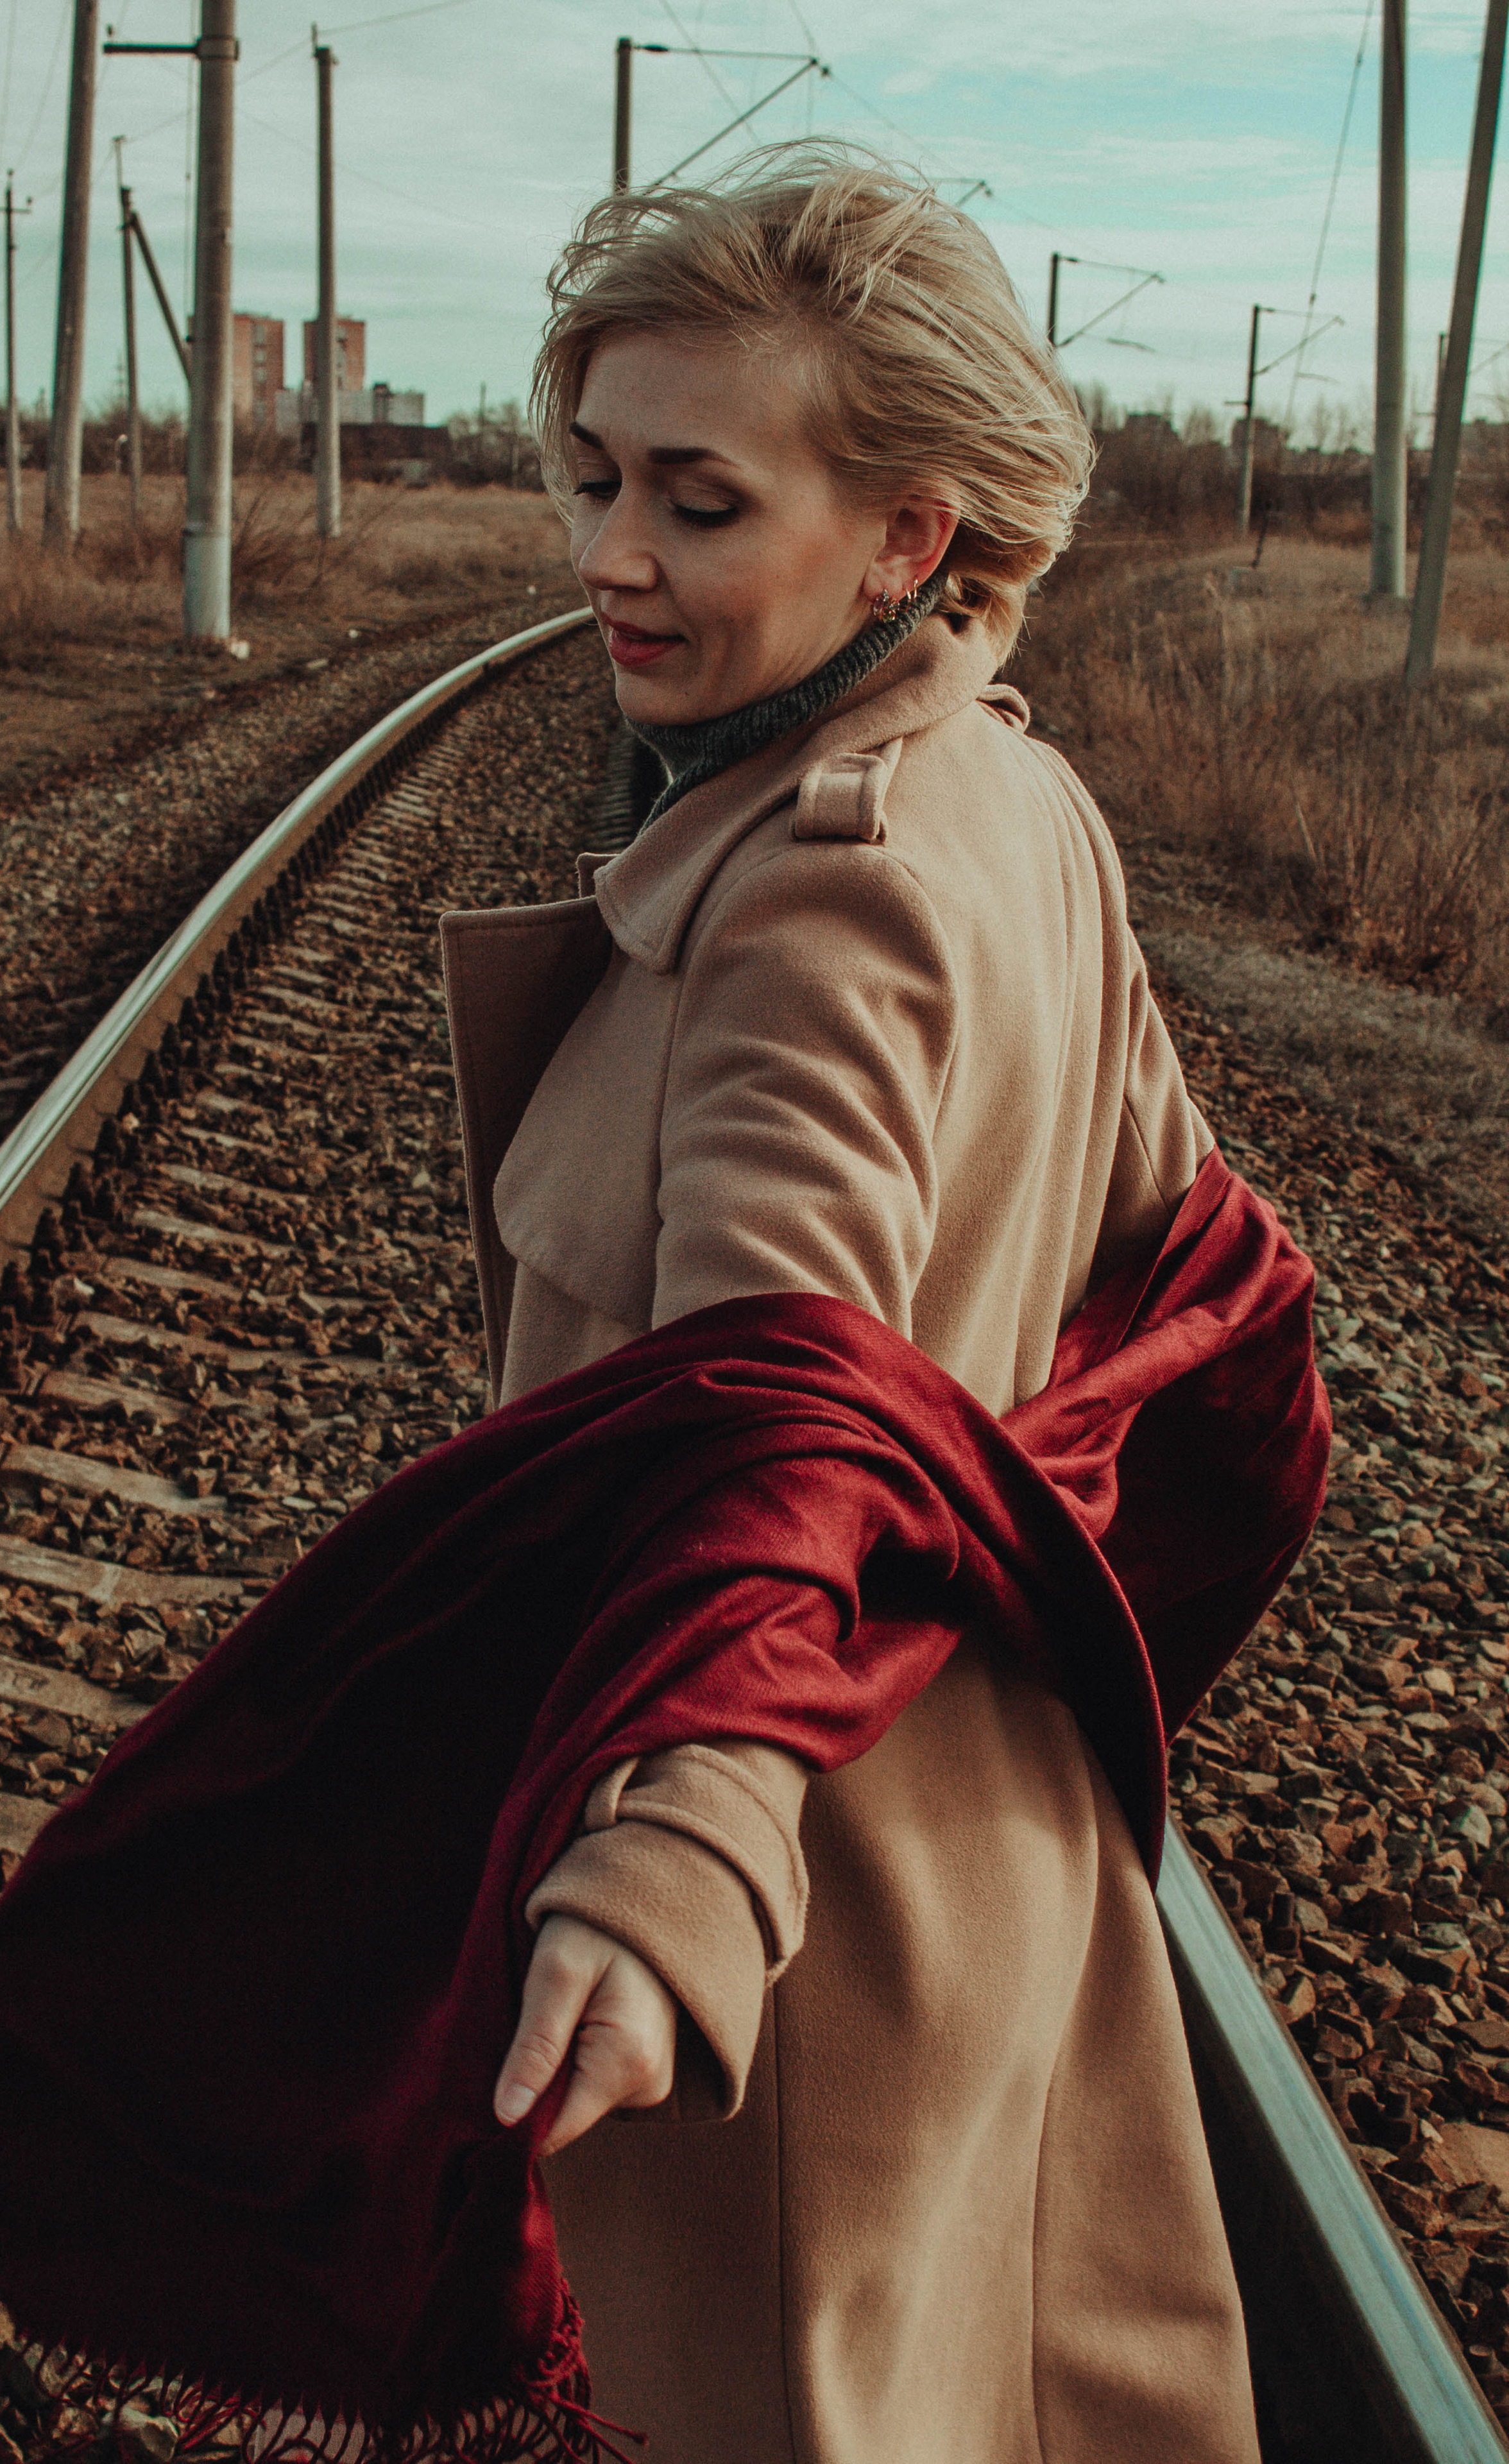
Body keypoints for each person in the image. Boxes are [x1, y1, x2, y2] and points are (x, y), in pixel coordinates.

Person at [436, 148, 1266, 2463]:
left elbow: (770, 1425)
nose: (611, 553)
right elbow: (1181, 1275)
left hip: (808, 1919)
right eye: (594, 476)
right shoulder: (1017, 804)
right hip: (987, 1823)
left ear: (909, 533)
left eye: (699, 501)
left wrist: (681, 1840)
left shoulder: (818, 910)